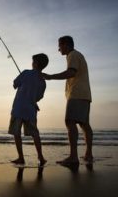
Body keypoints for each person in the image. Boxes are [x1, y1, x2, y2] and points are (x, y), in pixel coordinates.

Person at [43, 36, 93, 165]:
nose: (58, 49)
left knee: (70, 122)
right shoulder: (77, 55)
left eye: (60, 45)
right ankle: (88, 154)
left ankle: (73, 157)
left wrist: (50, 77)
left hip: (76, 94)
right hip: (85, 94)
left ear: (66, 44)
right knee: (84, 124)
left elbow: (71, 72)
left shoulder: (73, 55)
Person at [8, 53, 48, 166]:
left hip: (18, 108)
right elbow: (39, 97)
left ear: (35, 63)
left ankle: (21, 157)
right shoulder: (43, 81)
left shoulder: (25, 73)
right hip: (30, 110)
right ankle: (40, 157)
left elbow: (15, 84)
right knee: (35, 133)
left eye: (33, 61)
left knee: (17, 133)